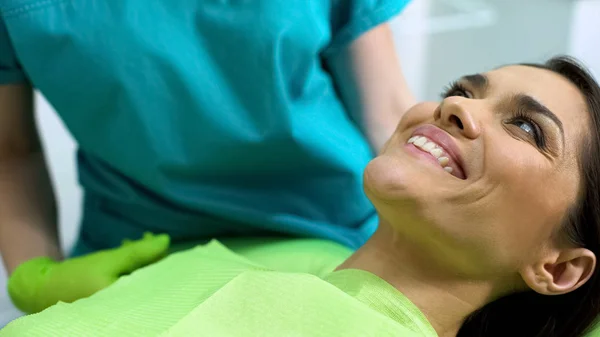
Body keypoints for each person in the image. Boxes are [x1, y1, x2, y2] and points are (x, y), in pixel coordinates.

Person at [4, 56, 600, 337]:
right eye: (462, 89)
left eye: (528, 128)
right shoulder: (284, 253)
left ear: (560, 265)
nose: (457, 106)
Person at [0, 0, 416, 313]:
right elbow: (12, 150)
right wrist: (37, 276)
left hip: (332, 232)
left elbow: (386, 113)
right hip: (130, 257)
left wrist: (435, 248)